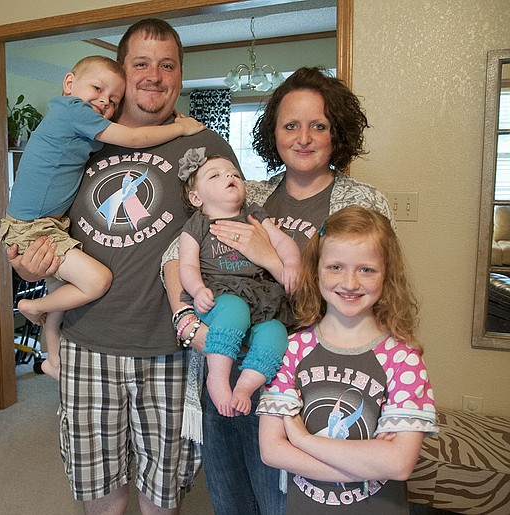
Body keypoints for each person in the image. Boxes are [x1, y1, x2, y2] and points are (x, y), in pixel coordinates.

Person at [7, 19, 237, 514]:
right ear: (121, 71)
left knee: (163, 495)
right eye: (140, 64)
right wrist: (28, 267)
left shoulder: (206, 145)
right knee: (100, 494)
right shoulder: (83, 138)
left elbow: (229, 240)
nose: (154, 75)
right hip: (88, 345)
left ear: (180, 73)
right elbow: (43, 227)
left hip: (171, 348)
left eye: (167, 64)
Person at [162, 66, 396, 514]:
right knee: (230, 499)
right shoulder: (248, 192)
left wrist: (270, 256)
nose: (303, 137)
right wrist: (186, 319)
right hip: (223, 365)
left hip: (296, 384)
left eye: (318, 125)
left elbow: (361, 294)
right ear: (273, 132)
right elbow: (173, 255)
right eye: (290, 125)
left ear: (337, 133)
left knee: (281, 503)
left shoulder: (363, 202)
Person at [0, 54, 206, 380]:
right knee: (96, 281)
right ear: (69, 84)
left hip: (49, 224)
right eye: (96, 88)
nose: (103, 101)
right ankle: (34, 308)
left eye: (113, 100)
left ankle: (52, 359)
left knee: (62, 296)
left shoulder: (80, 127)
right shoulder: (74, 111)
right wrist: (180, 127)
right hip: (34, 226)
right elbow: (134, 138)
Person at [257, 205, 438, 513]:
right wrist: (369, 461)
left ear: (387, 275)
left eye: (366, 269)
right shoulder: (290, 350)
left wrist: (302, 440)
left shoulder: (403, 359)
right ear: (315, 270)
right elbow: (272, 451)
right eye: (335, 267)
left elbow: (398, 464)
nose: (350, 283)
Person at [177, 147, 299, 422]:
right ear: (196, 197)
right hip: (219, 296)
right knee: (234, 310)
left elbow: (282, 242)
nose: (229, 177)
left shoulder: (254, 215)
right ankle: (218, 380)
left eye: (234, 173)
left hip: (260, 296)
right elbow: (186, 265)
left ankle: (245, 386)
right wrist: (197, 290)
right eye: (215, 175)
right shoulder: (198, 225)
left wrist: (290, 264)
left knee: (275, 331)